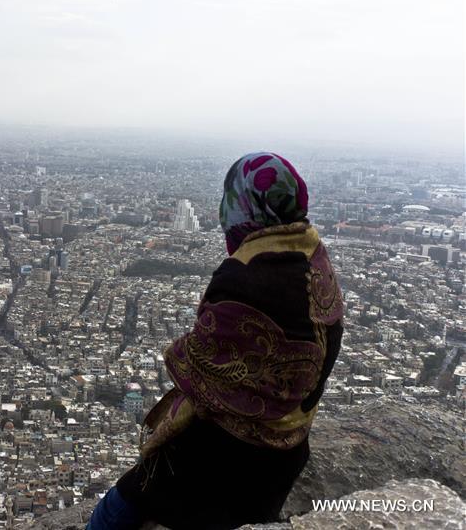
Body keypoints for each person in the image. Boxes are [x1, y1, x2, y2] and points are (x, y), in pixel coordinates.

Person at [87, 152, 344, 530]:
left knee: (112, 512)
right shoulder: (315, 259)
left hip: (224, 455)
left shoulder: (243, 276)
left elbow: (203, 363)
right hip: (287, 450)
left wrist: (180, 352)